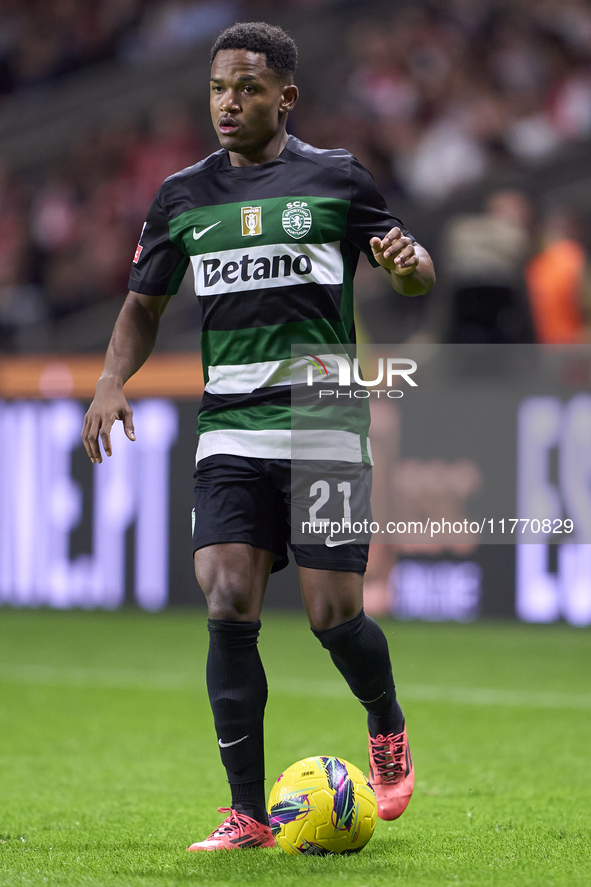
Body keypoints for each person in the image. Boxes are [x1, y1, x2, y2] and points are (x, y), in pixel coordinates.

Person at [82, 21, 435, 852]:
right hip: (231, 424)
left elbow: (413, 270)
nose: (227, 103)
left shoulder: (337, 178)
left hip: (323, 416)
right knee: (226, 600)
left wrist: (407, 263)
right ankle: (245, 812)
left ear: (286, 95)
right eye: (216, 88)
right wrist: (108, 379)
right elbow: (143, 303)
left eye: (245, 87)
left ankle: (384, 721)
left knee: (332, 616)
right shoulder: (181, 197)